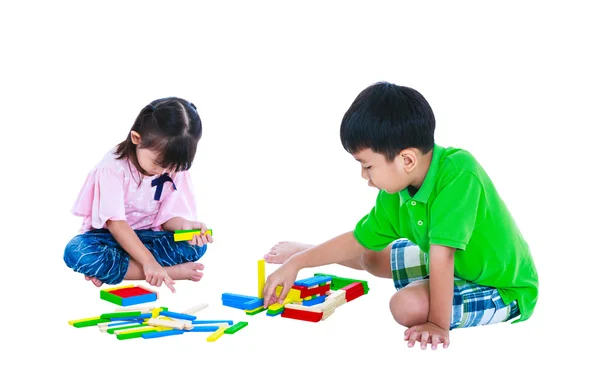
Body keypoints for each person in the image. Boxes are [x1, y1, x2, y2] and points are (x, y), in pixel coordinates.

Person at [262, 82, 539, 350]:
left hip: (500, 286)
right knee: (371, 256)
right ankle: (309, 250)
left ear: (407, 160)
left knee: (404, 306)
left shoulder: (459, 173)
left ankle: (440, 303)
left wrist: (437, 325)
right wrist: (299, 262)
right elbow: (360, 240)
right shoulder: (396, 193)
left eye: (368, 166)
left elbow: (443, 256)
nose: (364, 176)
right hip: (451, 263)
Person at [63, 97, 213, 293]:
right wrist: (149, 262)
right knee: (76, 252)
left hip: (150, 237)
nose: (164, 171)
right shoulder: (113, 168)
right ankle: (168, 272)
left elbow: (167, 219)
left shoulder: (173, 168)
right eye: (158, 163)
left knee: (195, 247)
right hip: (110, 237)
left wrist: (185, 226)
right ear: (136, 138)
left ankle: (121, 270)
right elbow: (115, 224)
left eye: (172, 167)